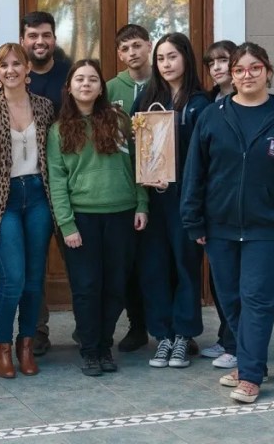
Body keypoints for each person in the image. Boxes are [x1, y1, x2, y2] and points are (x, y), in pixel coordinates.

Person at [182, 42, 274, 404]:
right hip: (220, 228)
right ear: (232, 75)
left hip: (269, 229)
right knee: (231, 300)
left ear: (268, 72)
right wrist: (193, 220)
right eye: (240, 70)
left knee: (256, 300)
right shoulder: (213, 116)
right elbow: (195, 172)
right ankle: (249, 362)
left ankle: (251, 375)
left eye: (255, 68)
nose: (247, 75)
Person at [48, 59, 148, 376]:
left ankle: (105, 346)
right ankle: (90, 350)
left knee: (115, 286)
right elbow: (56, 180)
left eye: (93, 79)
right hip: (82, 219)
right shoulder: (58, 130)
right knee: (87, 287)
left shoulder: (119, 121)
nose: (86, 84)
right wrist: (66, 225)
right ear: (69, 87)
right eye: (80, 79)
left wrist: (142, 204)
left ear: (101, 87)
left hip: (121, 214)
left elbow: (138, 165)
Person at [0, 11, 71, 356]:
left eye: (46, 35)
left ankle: (49, 339)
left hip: (47, 192)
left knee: (44, 275)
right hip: (7, 196)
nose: (40, 41)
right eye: (33, 35)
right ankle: (16, 340)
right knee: (16, 277)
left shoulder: (59, 88)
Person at [0, 43, 55, 378]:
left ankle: (26, 345)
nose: (11, 70)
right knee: (13, 279)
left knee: (34, 281)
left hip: (37, 197)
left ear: (27, 69)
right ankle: (2, 346)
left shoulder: (44, 107)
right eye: (3, 65)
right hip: (2, 199)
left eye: (17, 64)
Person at [129, 32, 209, 369]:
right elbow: (134, 148)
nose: (166, 64)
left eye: (172, 56)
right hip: (153, 198)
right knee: (154, 268)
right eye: (160, 58)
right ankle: (162, 335)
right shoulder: (147, 99)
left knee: (186, 266)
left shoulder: (201, 103)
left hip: (186, 199)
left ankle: (183, 335)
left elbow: (206, 155)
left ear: (186, 58)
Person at [105, 24, 152, 353]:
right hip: (125, 187)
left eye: (137, 45)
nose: (132, 53)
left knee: (163, 261)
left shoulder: (163, 82)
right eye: (125, 48)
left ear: (149, 45)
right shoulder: (110, 88)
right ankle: (137, 326)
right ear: (119, 55)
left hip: (162, 185)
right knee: (130, 263)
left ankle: (176, 329)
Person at [198, 39, 238, 368]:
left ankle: (238, 344)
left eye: (222, 60)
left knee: (239, 281)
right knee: (219, 278)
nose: (217, 68)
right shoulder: (208, 104)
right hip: (215, 205)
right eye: (211, 63)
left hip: (244, 205)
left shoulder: (250, 101)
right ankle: (227, 337)